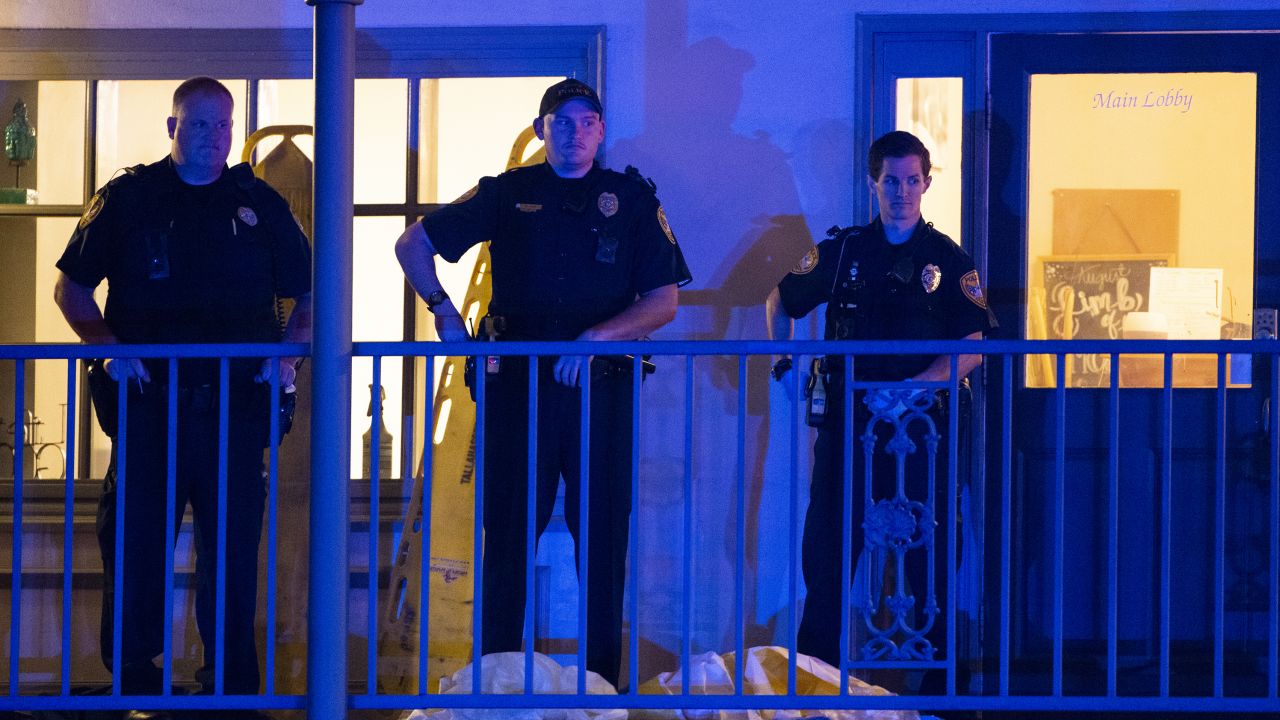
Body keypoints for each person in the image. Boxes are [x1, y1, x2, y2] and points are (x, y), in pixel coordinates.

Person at [394, 78, 690, 687]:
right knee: (507, 536)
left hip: (600, 389)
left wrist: (595, 338)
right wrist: (442, 311)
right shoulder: (508, 192)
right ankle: (496, 684)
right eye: (561, 121)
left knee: (603, 540)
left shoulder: (630, 198)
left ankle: (600, 690)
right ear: (540, 130)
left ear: (601, 132)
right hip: (517, 389)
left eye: (586, 121)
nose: (574, 132)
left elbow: (663, 302)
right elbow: (412, 244)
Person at [53, 77, 312, 711]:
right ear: (172, 127)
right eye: (199, 124)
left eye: (223, 125)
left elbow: (310, 294)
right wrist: (109, 347)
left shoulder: (258, 203)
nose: (213, 137)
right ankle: (135, 689)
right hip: (150, 409)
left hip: (235, 410)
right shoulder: (128, 199)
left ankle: (228, 694)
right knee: (135, 552)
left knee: (232, 560)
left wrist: (287, 354)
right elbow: (71, 290)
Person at [765, 130, 997, 670]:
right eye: (891, 181)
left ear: (927, 183)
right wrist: (785, 364)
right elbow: (780, 300)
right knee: (828, 544)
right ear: (874, 183)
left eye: (912, 180)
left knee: (929, 553)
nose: (902, 192)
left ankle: (940, 690)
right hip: (849, 422)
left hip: (921, 429)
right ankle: (818, 678)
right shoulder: (845, 250)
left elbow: (973, 346)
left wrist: (915, 387)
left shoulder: (948, 259)